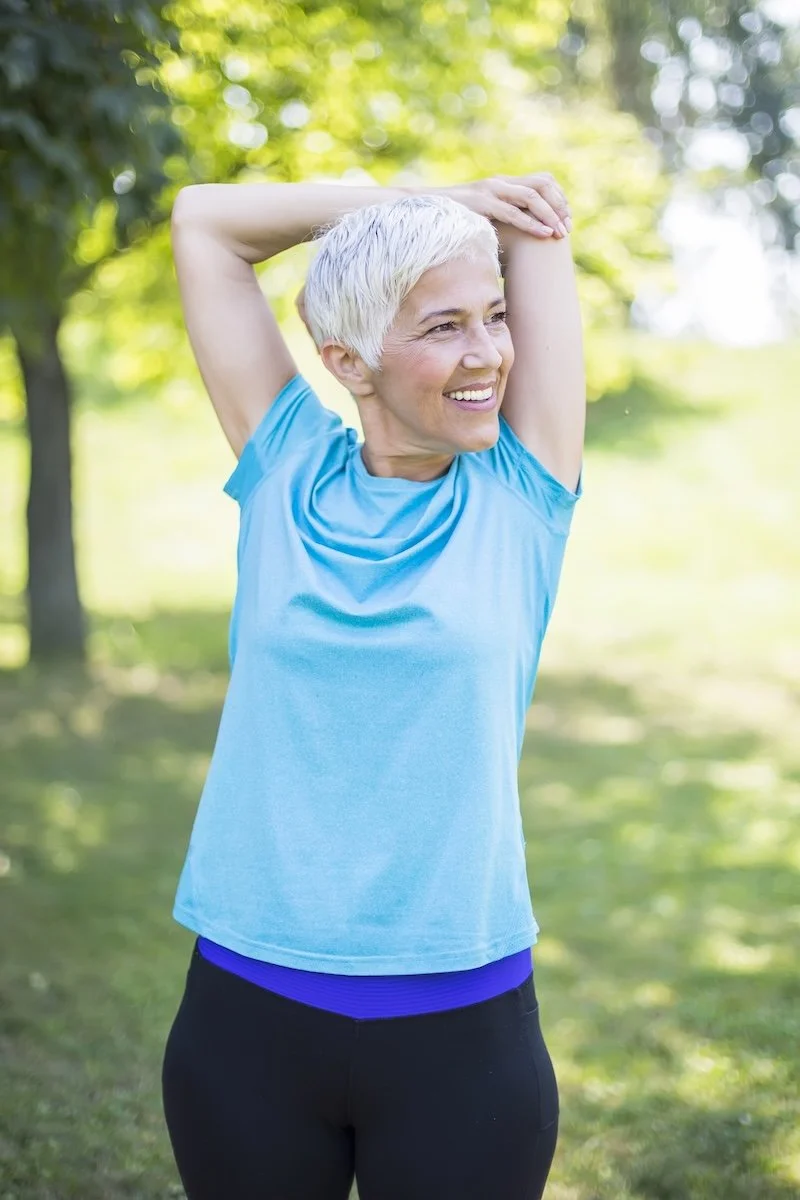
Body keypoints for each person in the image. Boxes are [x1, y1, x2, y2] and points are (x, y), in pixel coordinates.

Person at [161, 172, 585, 1200]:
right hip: (247, 1017)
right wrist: (419, 199)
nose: (486, 353)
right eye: (442, 326)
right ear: (345, 360)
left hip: (462, 1031)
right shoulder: (283, 470)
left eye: (490, 318)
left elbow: (538, 227)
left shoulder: (521, 493)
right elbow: (203, 222)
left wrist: (460, 226)